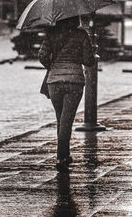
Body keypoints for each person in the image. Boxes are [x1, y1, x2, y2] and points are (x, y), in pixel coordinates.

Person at [38, 16, 95, 171]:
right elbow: (88, 60)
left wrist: (52, 65)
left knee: (61, 119)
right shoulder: (81, 35)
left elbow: (42, 56)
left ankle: (64, 155)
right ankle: (61, 157)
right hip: (74, 81)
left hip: (54, 81)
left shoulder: (52, 34)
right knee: (66, 120)